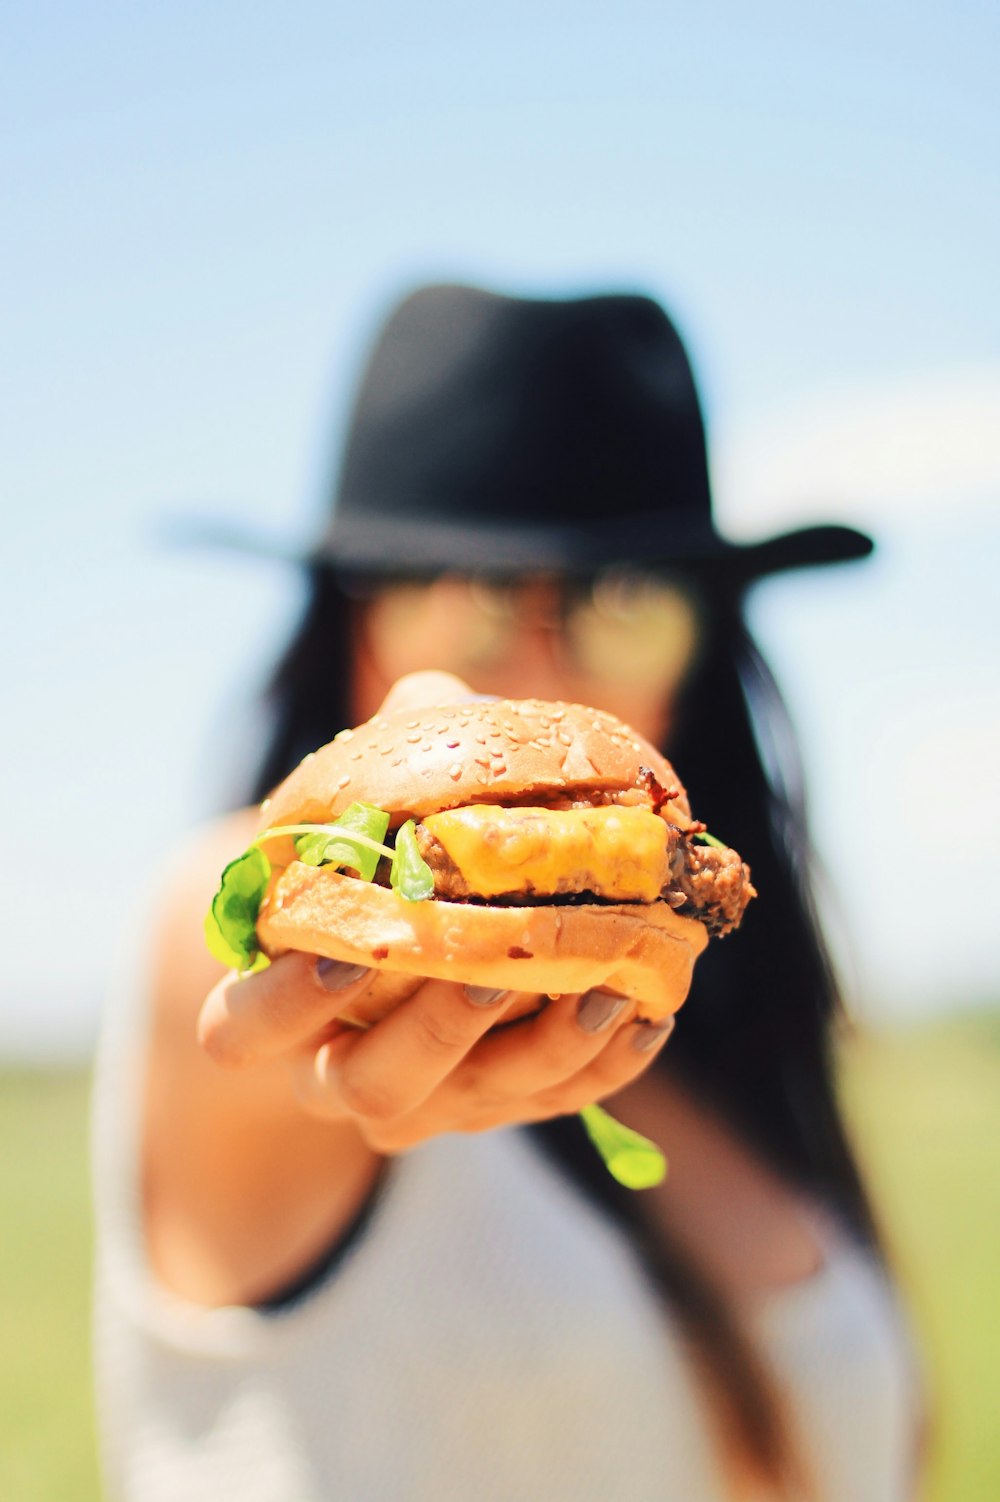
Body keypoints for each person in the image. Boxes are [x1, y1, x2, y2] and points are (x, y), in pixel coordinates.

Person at [93, 284, 921, 1501]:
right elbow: (225, 952)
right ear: (358, 634)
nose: (539, 677)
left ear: (705, 659)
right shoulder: (238, 928)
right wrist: (329, 956)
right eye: (463, 601)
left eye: (624, 607)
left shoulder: (735, 1046)